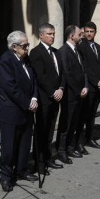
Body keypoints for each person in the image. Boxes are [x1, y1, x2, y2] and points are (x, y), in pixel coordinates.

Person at [0, 31, 39, 191]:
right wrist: (28, 103)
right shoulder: (6, 60)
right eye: (24, 45)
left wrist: (34, 98)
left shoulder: (26, 58)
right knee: (9, 146)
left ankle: (21, 170)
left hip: (27, 108)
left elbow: (33, 80)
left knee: (25, 143)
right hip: (11, 110)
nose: (27, 48)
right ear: (14, 47)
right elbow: (10, 87)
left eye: (27, 44)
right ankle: (6, 176)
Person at [30, 23, 67, 172]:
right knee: (41, 131)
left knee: (51, 129)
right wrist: (53, 92)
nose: (53, 36)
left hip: (56, 97)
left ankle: (48, 158)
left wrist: (61, 89)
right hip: (45, 98)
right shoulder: (36, 52)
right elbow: (40, 76)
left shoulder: (56, 52)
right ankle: (38, 162)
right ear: (41, 35)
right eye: (49, 34)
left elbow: (62, 73)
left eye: (53, 34)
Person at [56, 25, 88, 159]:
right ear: (72, 36)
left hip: (80, 93)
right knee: (66, 124)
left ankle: (70, 147)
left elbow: (83, 70)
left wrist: (86, 86)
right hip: (70, 95)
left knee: (74, 123)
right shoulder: (63, 51)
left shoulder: (78, 50)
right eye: (80, 34)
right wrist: (78, 90)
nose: (82, 36)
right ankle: (61, 150)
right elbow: (67, 74)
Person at [77, 21, 100, 150]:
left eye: (91, 31)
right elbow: (85, 67)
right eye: (87, 31)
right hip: (88, 85)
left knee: (92, 114)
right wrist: (96, 81)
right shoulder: (81, 46)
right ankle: (78, 142)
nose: (89, 34)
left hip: (99, 87)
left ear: (95, 32)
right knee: (83, 115)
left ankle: (90, 138)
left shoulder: (98, 47)